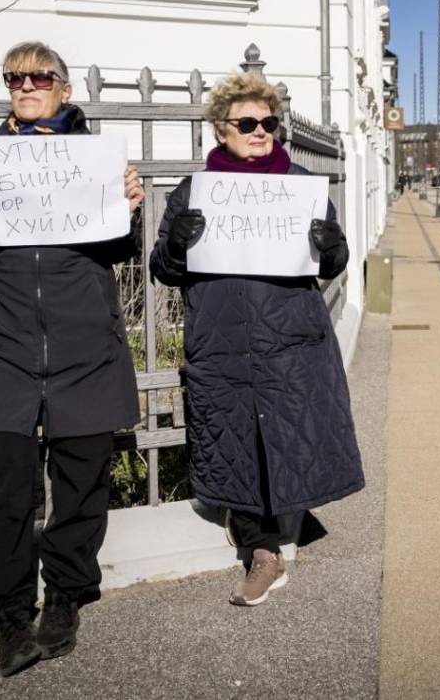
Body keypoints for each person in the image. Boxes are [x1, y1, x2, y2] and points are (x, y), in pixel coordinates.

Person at [0, 41, 145, 677]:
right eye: (15, 78)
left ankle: (65, 595)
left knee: (82, 480)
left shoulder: (98, 158)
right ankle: (8, 609)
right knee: (5, 481)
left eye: (39, 77)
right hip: (3, 344)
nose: (25, 85)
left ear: (65, 89)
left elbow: (122, 249)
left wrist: (130, 209)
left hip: (83, 343)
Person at [150, 72, 363, 607]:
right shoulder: (193, 192)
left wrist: (331, 245)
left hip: (289, 337)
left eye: (269, 123)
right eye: (247, 123)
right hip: (222, 338)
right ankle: (261, 549)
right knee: (235, 436)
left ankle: (269, 535)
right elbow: (163, 269)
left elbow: (330, 263)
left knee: (285, 434)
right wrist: (177, 244)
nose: (261, 131)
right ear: (221, 130)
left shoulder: (299, 184)